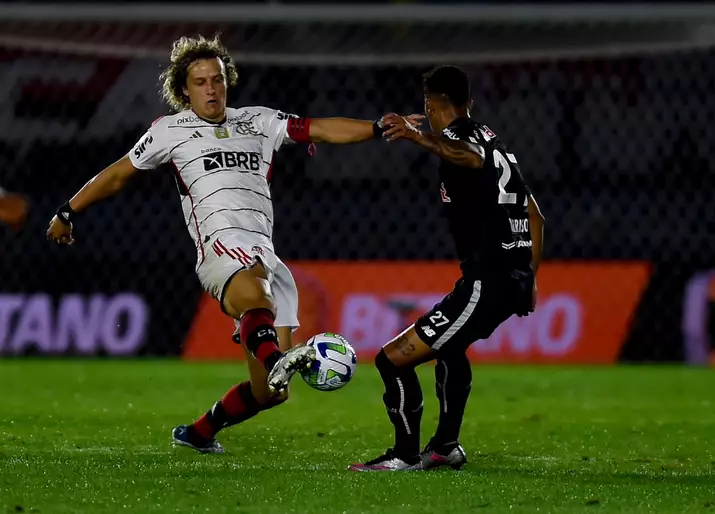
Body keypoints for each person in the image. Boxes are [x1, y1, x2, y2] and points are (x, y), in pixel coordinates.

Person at [46, 34, 415, 454]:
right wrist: (67, 211)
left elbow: (318, 128)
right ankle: (276, 358)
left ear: (227, 82)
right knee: (256, 299)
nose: (211, 89)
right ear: (184, 89)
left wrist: (375, 127)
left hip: (265, 253)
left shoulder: (257, 121)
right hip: (221, 246)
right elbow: (117, 174)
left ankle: (199, 433)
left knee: (271, 393)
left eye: (217, 80)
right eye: (200, 81)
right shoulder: (169, 131)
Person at [349, 66, 545, 471]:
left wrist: (420, 137)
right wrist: (530, 277)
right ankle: (444, 447)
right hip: (507, 279)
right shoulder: (495, 142)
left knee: (392, 360)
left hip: (485, 282)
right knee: (450, 350)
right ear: (468, 102)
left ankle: (404, 456)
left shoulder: (460, 141)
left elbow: (466, 157)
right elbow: (536, 216)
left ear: (431, 105)